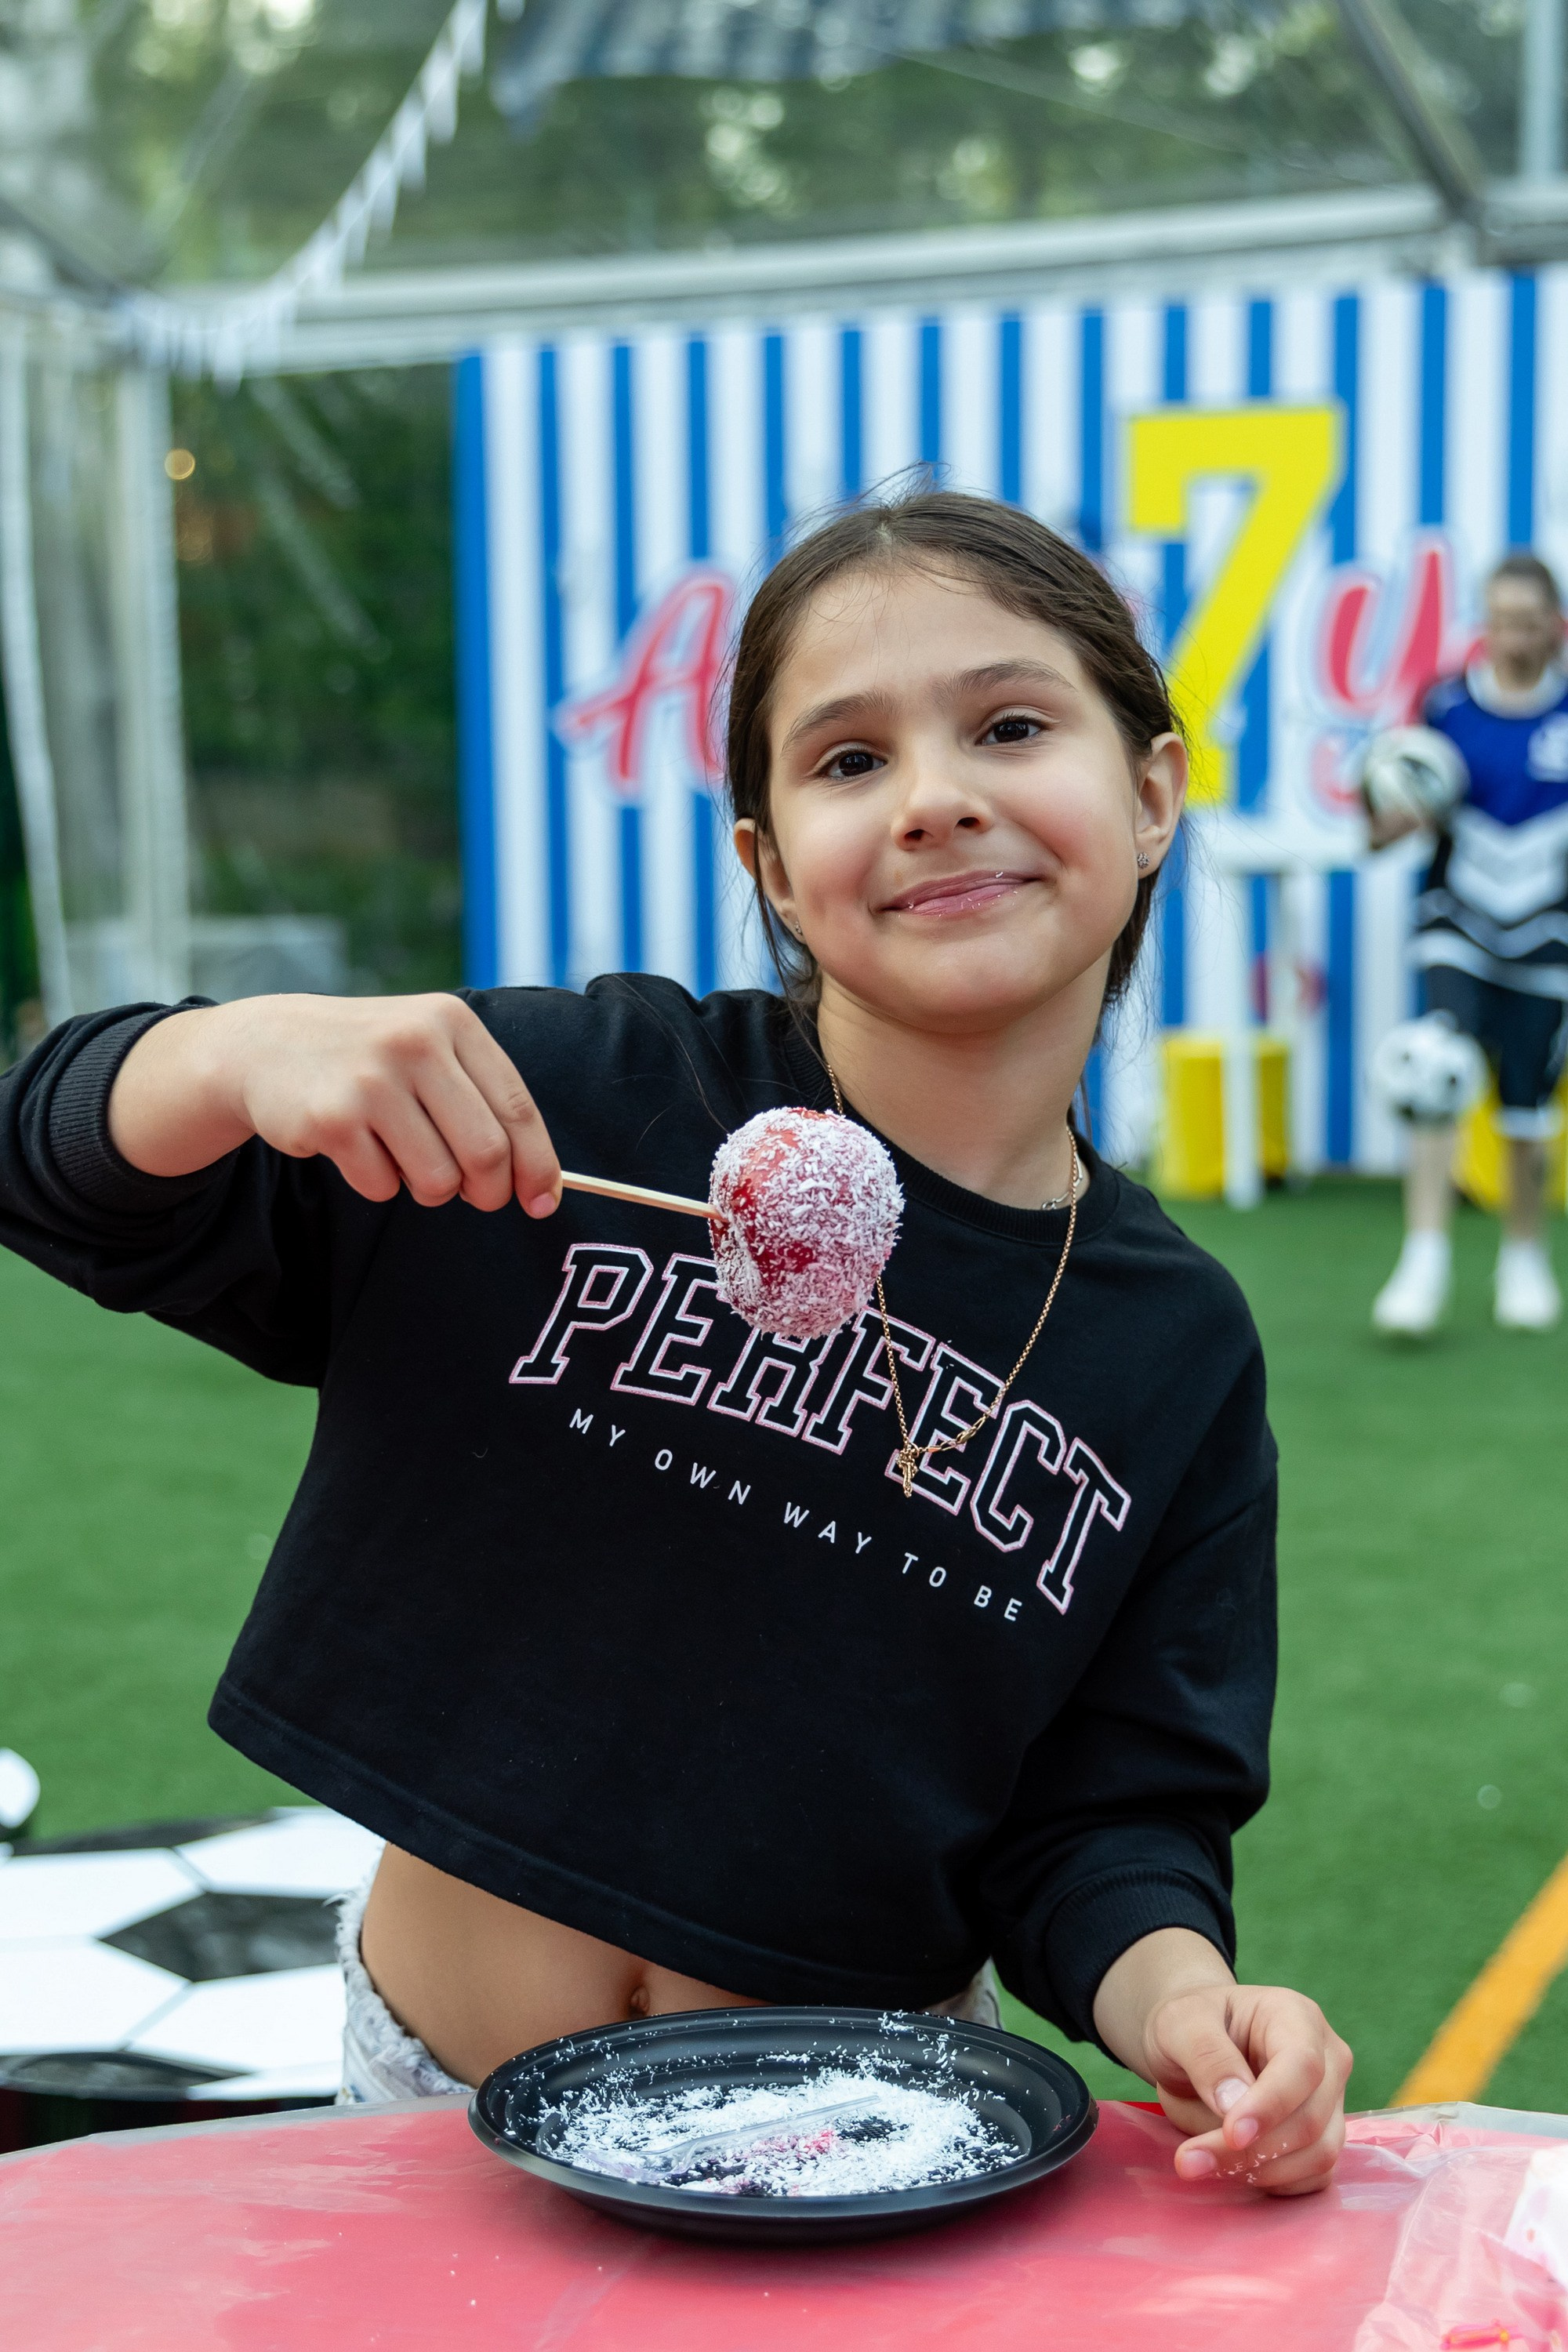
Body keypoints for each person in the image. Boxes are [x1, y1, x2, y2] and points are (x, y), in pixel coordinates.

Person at [0, 491, 1351, 2194]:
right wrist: (225, 1058)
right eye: (847, 761)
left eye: (1010, 726)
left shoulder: (1175, 1349)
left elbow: (1108, 1820)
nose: (935, 798)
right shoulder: (583, 1101)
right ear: (770, 863)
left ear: (1151, 792)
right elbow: (59, 1177)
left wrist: (1188, 2000)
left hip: (868, 2134)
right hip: (422, 2105)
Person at [1370, 552, 1568, 1335]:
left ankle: (1521, 1256)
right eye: (1495, 617)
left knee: (1525, 1100)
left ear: (1551, 626)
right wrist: (1391, 815)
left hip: (1549, 929)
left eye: (1522, 621)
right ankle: (1422, 1260)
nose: (1507, 635)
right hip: (1455, 918)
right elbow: (1387, 822)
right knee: (1434, 1069)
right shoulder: (1445, 707)